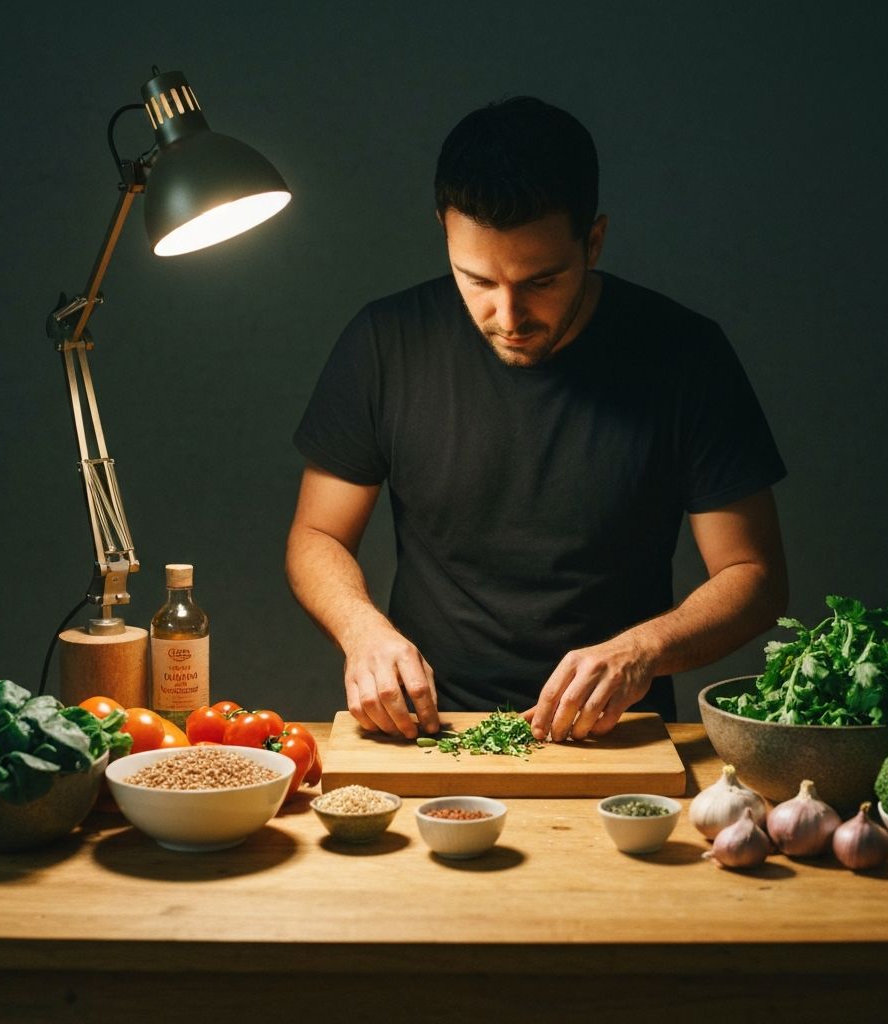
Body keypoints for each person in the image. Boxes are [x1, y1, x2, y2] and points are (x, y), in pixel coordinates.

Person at [286, 96, 788, 744]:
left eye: (541, 281)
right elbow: (316, 535)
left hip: (618, 735)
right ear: (445, 230)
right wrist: (363, 631)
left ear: (594, 241)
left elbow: (755, 576)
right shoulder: (385, 342)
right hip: (431, 732)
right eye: (478, 280)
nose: (509, 313)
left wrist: (642, 650)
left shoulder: (685, 354)